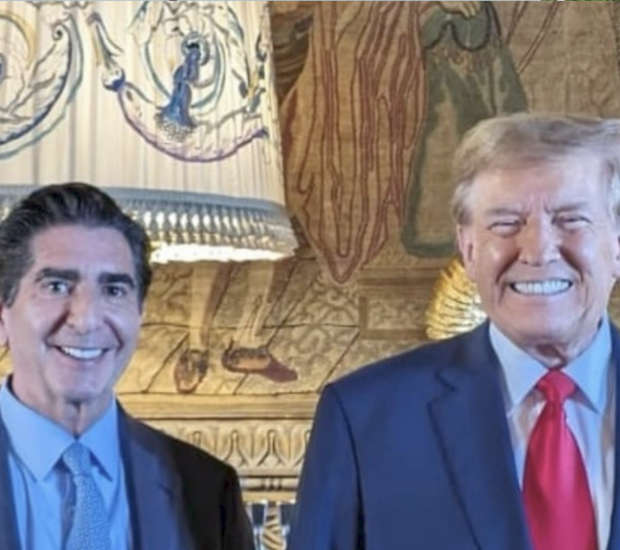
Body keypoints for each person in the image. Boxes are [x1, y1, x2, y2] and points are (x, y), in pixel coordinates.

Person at [289, 113, 620, 550]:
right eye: (506, 223)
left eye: (570, 220)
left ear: (617, 243)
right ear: (468, 249)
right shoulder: (364, 417)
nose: (538, 251)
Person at [0, 183, 254, 550]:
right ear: (3, 314)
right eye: (56, 286)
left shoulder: (206, 488)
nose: (86, 319)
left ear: (139, 314)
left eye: (114, 290)